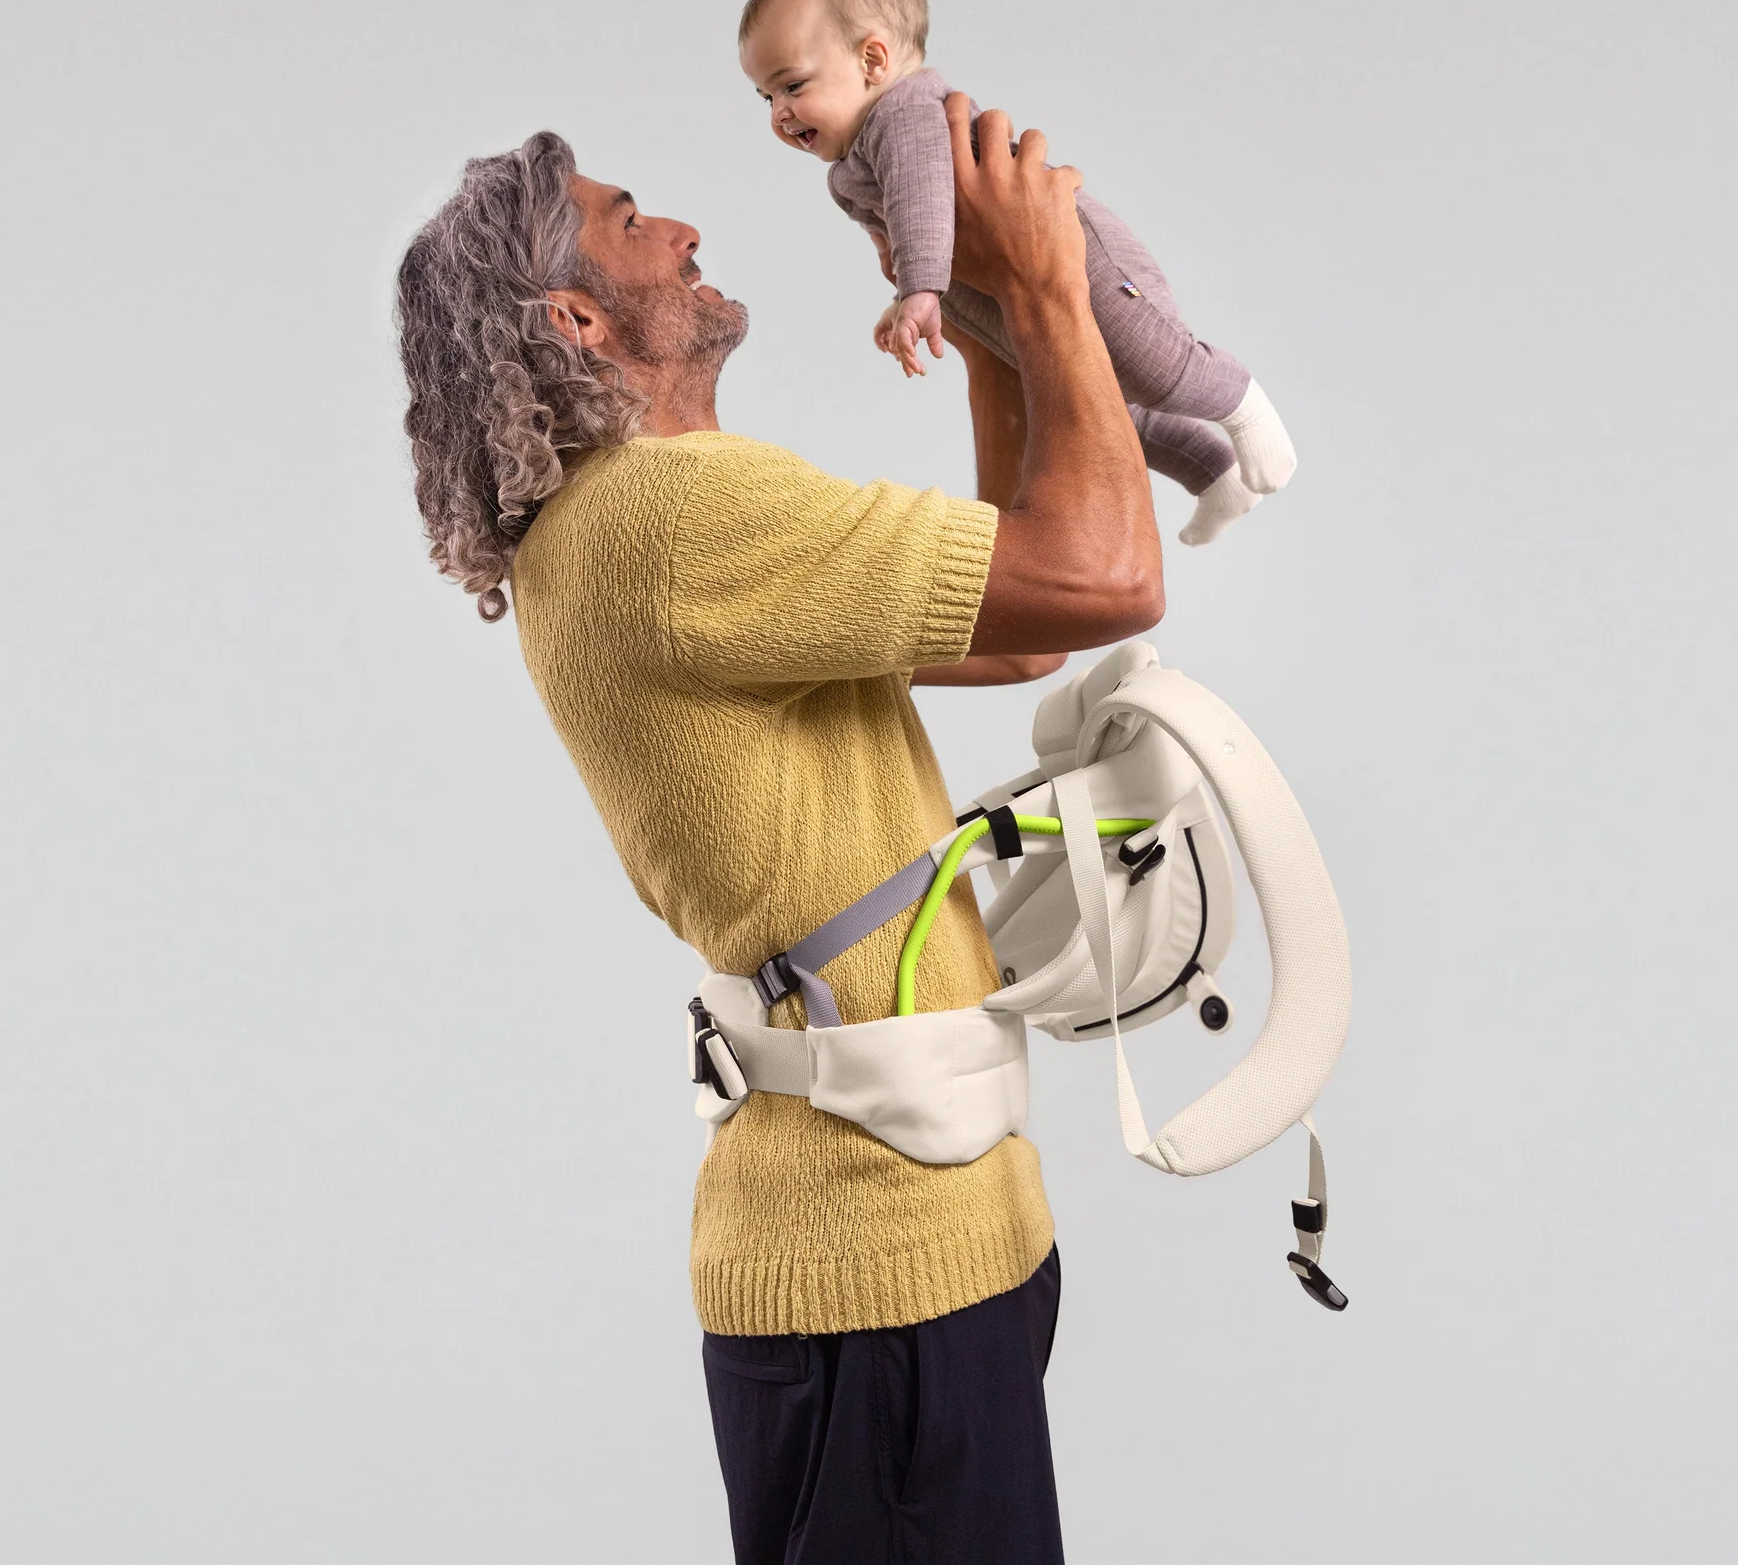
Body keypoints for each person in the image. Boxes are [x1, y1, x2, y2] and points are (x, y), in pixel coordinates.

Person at [395, 96, 1165, 1564]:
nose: (683, 231)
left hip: (929, 1249)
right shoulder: (671, 518)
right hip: (876, 1278)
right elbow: (1111, 579)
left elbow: (1026, 630)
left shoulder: (635, 527)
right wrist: (1051, 286)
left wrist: (990, 330)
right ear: (578, 318)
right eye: (634, 223)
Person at [738, 0, 1297, 547]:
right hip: (998, 294)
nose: (778, 113)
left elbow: (923, 201)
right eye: (766, 96)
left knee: (1150, 360)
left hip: (1072, 253)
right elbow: (908, 233)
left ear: (873, 61)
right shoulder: (852, 166)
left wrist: (921, 289)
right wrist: (906, 296)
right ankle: (1215, 475)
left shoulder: (905, 112)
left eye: (793, 86)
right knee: (1090, 404)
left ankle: (1242, 402)